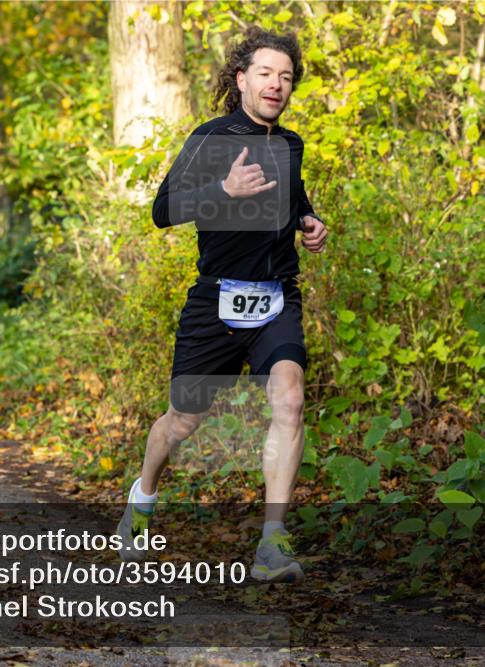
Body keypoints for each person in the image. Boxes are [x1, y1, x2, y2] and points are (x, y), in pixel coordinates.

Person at [117, 27, 328, 584]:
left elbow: (292, 195)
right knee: (183, 420)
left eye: (285, 77)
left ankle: (271, 545)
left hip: (277, 297)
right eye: (265, 73)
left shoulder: (290, 143)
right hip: (215, 301)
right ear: (241, 79)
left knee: (289, 399)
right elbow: (163, 210)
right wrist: (224, 194)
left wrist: (309, 221)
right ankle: (142, 498)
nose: (276, 85)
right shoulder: (210, 140)